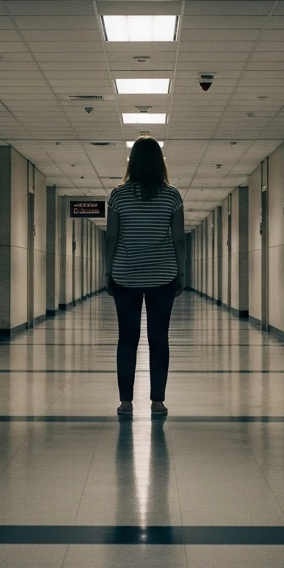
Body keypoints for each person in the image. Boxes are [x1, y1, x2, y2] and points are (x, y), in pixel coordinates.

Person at [104, 136, 185, 417]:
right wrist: (180, 272)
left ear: (133, 162)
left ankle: (126, 401)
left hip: (125, 274)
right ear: (159, 162)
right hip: (163, 275)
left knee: (127, 339)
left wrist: (108, 271)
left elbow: (112, 237)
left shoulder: (118, 195)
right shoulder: (172, 195)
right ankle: (157, 401)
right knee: (159, 339)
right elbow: (178, 239)